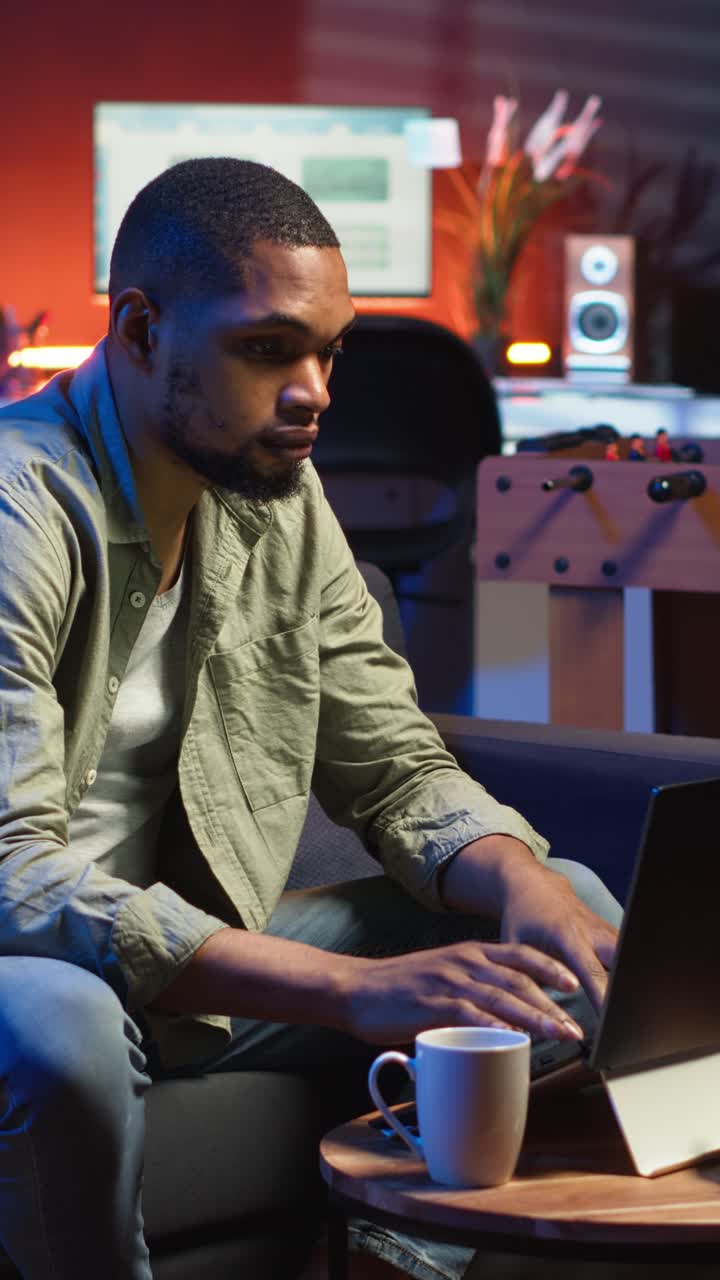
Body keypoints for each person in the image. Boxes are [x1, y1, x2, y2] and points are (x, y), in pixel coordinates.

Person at [0, 158, 620, 1280]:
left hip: (199, 958)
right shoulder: (20, 509)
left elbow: (391, 765)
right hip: (35, 962)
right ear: (140, 329)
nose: (315, 390)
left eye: (329, 350)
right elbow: (10, 875)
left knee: (568, 908)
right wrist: (353, 988)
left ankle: (408, 1260)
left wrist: (520, 880)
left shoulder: (274, 492)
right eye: (267, 348)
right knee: (61, 1026)